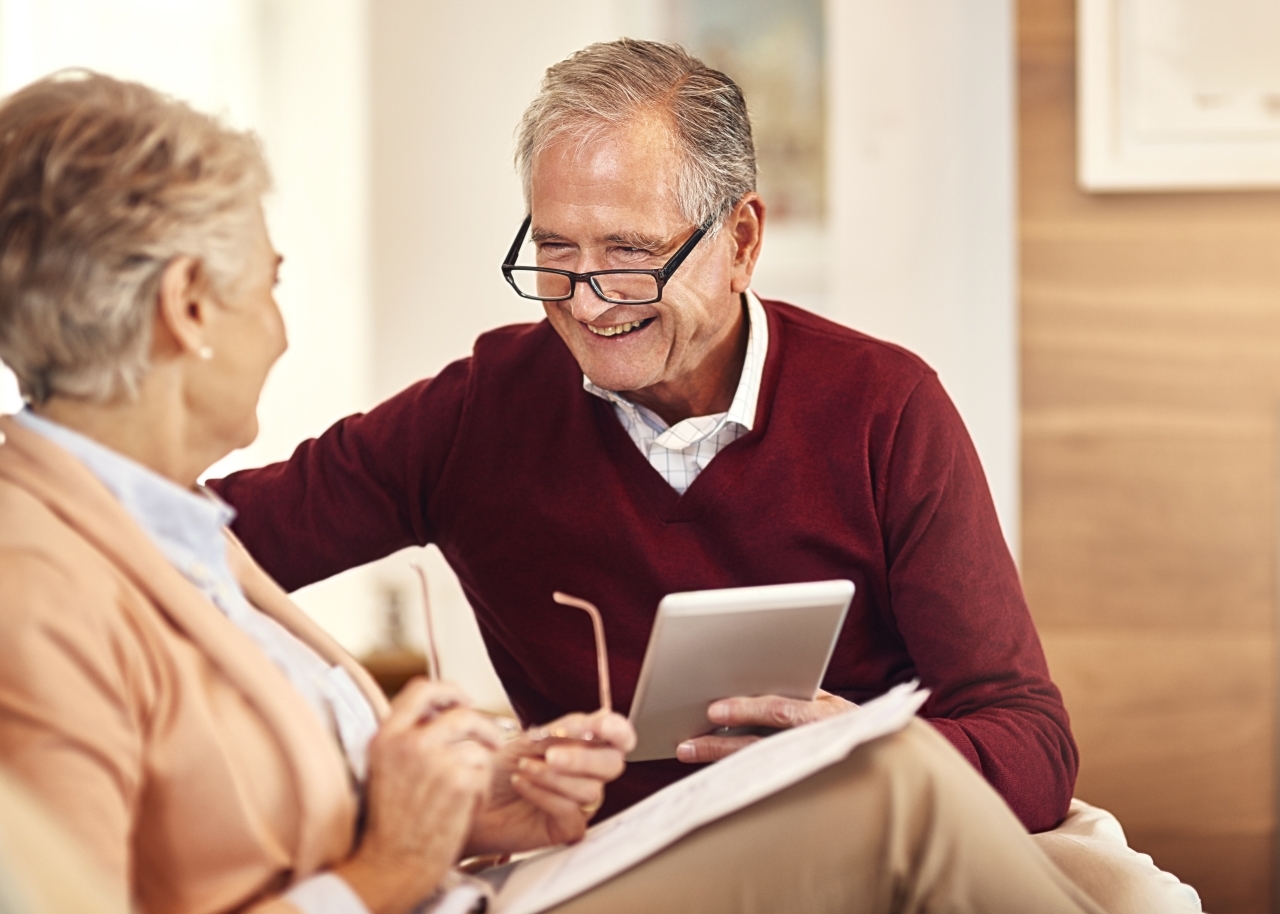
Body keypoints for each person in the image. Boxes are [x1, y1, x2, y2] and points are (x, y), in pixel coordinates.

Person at [210, 39, 1076, 830]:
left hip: (852, 847)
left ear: (740, 241)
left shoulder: (884, 409)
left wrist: (872, 757)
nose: (586, 303)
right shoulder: (478, 414)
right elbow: (204, 540)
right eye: (556, 252)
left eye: (629, 255)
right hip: (602, 862)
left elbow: (1033, 747)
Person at [0, 71, 632, 914]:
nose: (282, 331)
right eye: (270, 284)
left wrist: (464, 807)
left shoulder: (173, 528)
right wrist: (389, 871)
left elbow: (255, 821)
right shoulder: (31, 587)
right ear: (188, 306)